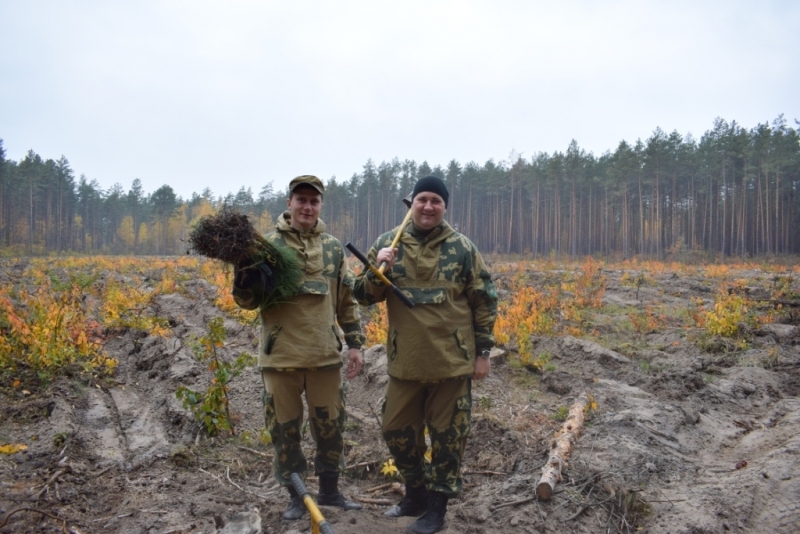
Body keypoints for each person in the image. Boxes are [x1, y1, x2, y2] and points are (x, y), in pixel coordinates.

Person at [353, 175, 498, 534]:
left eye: (436, 200)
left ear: (444, 206)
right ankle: (415, 492)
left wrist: (483, 353)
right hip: (406, 363)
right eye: (422, 200)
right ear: (412, 204)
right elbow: (362, 294)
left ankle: (437, 509)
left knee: (449, 439)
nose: (428, 206)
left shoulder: (462, 248)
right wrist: (378, 268)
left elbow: (484, 301)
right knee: (396, 430)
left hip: (451, 363)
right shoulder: (389, 243)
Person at [232, 175, 365, 520]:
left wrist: (355, 343)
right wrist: (243, 272)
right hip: (281, 358)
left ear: (320, 206)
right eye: (301, 200)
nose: (307, 207)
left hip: (324, 357)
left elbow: (346, 301)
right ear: (289, 203)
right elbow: (246, 302)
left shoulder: (333, 248)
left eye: (314, 201)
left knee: (330, 426)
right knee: (285, 430)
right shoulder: (266, 246)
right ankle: (296, 496)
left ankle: (331, 492)